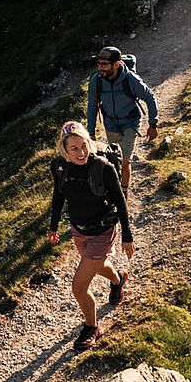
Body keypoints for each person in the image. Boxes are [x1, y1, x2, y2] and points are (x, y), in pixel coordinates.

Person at [49, 121, 135, 351]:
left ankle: (92, 327)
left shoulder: (103, 167)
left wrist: (127, 235)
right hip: (79, 229)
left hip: (103, 230)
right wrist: (53, 226)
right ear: (64, 151)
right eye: (74, 148)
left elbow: (120, 201)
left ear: (90, 142)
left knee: (79, 287)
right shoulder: (59, 167)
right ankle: (118, 279)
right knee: (97, 266)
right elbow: (58, 197)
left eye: (84, 145)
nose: (81, 152)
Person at [86, 46, 158, 195]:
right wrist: (91, 132)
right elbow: (92, 106)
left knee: (125, 161)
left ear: (116, 64)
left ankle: (123, 192)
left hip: (130, 123)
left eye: (104, 64)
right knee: (113, 159)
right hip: (110, 123)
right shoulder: (96, 81)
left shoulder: (131, 80)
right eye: (99, 64)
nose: (100, 68)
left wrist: (153, 124)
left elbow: (150, 97)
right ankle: (115, 185)